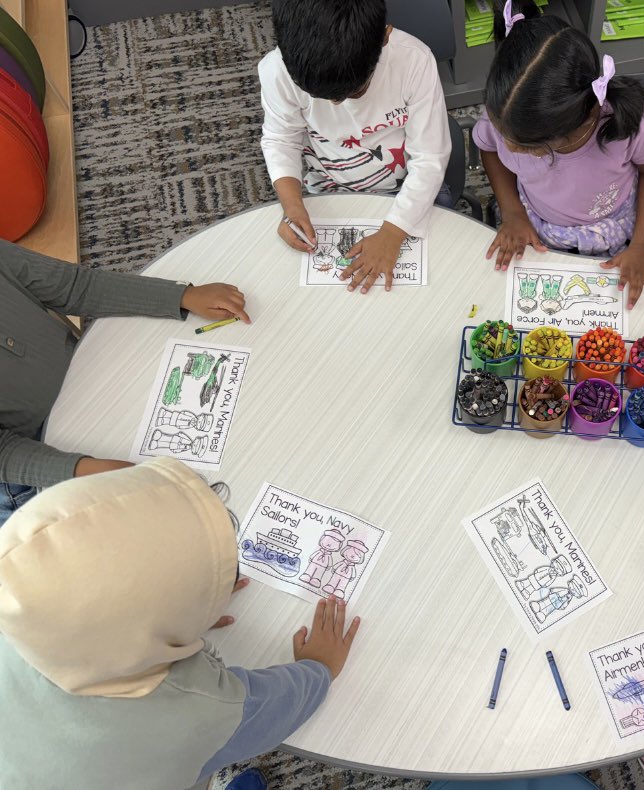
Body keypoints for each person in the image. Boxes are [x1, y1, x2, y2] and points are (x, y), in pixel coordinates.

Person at [0, 457, 361, 788]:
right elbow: (275, 708)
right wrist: (320, 667)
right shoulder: (202, 709)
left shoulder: (21, 603)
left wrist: (180, 609)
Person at [0, 239, 249, 525]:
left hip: (90, 376)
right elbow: (5, 454)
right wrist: (85, 469)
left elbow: (74, 286)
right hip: (32, 471)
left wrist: (180, 296)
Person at [473, 1, 644, 310]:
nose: (509, 148)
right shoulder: (504, 117)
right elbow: (489, 148)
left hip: (619, 227)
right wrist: (512, 212)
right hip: (539, 224)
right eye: (505, 136)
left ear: (576, 125)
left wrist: (642, 247)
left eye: (526, 146)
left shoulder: (626, 126)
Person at [260, 0, 451, 294]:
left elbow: (430, 159)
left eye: (356, 91)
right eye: (323, 96)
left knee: (442, 279)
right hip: (329, 191)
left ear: (384, 37)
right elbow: (280, 138)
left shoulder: (414, 61)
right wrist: (292, 206)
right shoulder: (278, 70)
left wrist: (392, 232)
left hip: (408, 190)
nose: (338, 104)